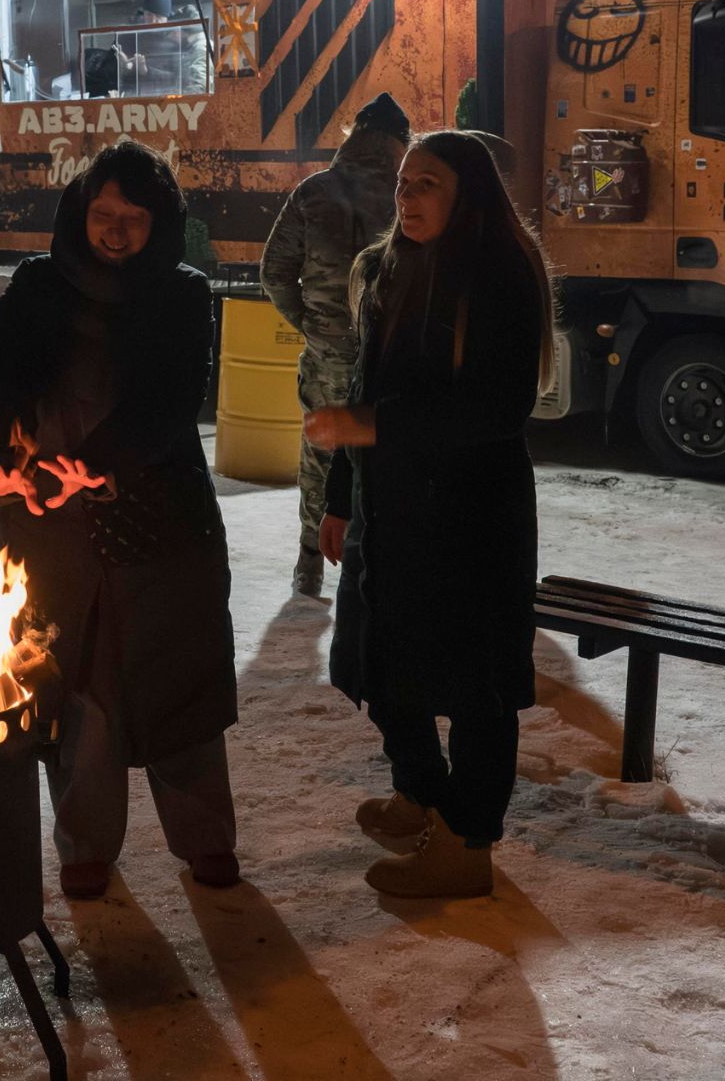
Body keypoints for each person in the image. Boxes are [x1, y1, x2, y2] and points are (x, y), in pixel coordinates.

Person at [0, 139, 239, 900]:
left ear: (160, 224)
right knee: (75, 689)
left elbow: (172, 400)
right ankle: (85, 845)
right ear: (80, 212)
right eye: (103, 213)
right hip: (49, 525)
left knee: (176, 682)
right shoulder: (37, 284)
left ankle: (205, 838)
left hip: (158, 518)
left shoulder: (182, 294)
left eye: (134, 218)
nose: (115, 231)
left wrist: (94, 465)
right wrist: (1, 466)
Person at [307, 130, 556, 899]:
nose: (406, 197)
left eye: (428, 184)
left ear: (467, 194)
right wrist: (341, 499)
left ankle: (467, 842)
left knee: (477, 685)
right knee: (381, 659)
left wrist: (370, 427)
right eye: (404, 183)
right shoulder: (390, 267)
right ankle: (419, 791)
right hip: (390, 509)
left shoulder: (501, 275)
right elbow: (367, 382)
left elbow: (495, 408)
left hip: (471, 518)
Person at [260, 91, 410, 598]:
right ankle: (376, 561)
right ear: (400, 143)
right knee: (388, 449)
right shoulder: (409, 193)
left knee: (321, 452)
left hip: (327, 353)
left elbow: (274, 272)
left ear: (354, 137)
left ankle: (310, 560)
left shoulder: (314, 191)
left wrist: (311, 323)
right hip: (391, 355)